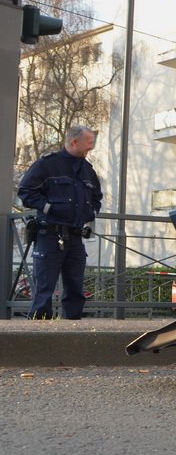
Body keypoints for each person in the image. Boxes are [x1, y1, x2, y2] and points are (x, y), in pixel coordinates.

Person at [18, 125, 103, 320]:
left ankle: (72, 331)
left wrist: (91, 212)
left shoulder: (88, 170)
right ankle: (39, 334)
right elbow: (25, 192)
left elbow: (97, 197)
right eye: (89, 142)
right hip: (49, 235)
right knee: (44, 289)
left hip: (75, 237)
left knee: (75, 288)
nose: (91, 147)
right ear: (75, 142)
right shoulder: (46, 165)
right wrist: (49, 208)